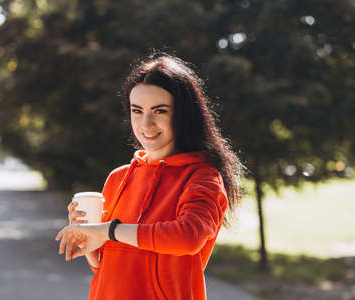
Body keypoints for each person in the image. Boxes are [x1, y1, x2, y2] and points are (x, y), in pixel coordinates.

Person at [56, 52, 244, 300]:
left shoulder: (203, 177)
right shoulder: (118, 178)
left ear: (183, 114)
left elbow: (188, 236)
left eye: (160, 111)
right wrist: (89, 237)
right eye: (137, 110)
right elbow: (105, 265)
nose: (146, 124)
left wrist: (108, 231)